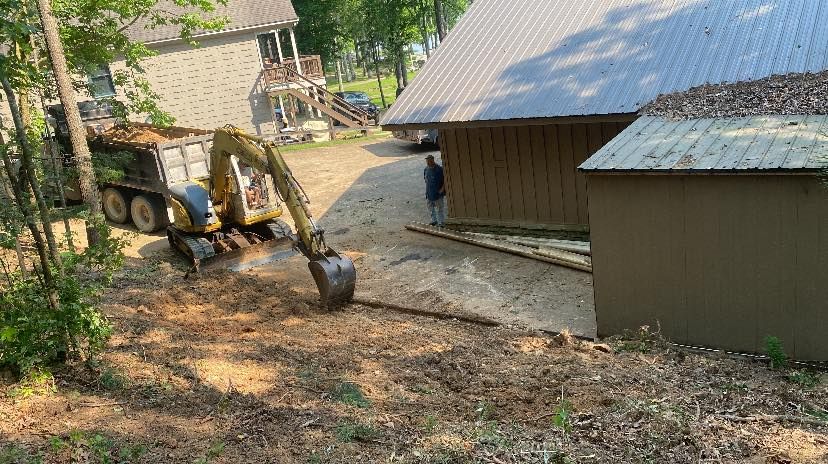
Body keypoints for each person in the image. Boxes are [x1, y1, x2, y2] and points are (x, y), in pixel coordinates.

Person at [423, 154, 445, 226]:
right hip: (429, 192)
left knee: (439, 208)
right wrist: (427, 192)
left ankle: (441, 222)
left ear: (432, 160)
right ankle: (434, 220)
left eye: (429, 161)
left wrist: (442, 189)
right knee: (430, 207)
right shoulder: (426, 169)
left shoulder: (439, 169)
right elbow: (426, 180)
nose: (428, 163)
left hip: (438, 193)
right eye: (427, 161)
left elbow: (445, 181)